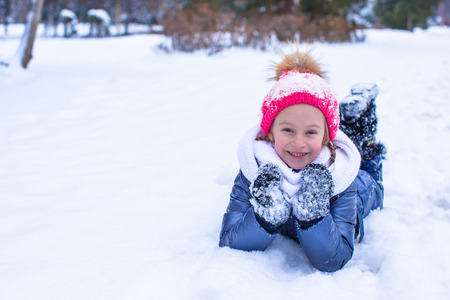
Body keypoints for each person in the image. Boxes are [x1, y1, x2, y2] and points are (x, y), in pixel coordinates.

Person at [218, 51, 386, 272]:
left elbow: (336, 258)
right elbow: (230, 241)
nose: (298, 143)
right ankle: (346, 123)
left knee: (369, 172)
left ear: (327, 138)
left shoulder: (341, 173)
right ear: (270, 133)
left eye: (310, 132)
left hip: (361, 189)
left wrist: (314, 216)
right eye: (288, 130)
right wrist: (265, 217)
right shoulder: (255, 167)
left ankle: (359, 124)